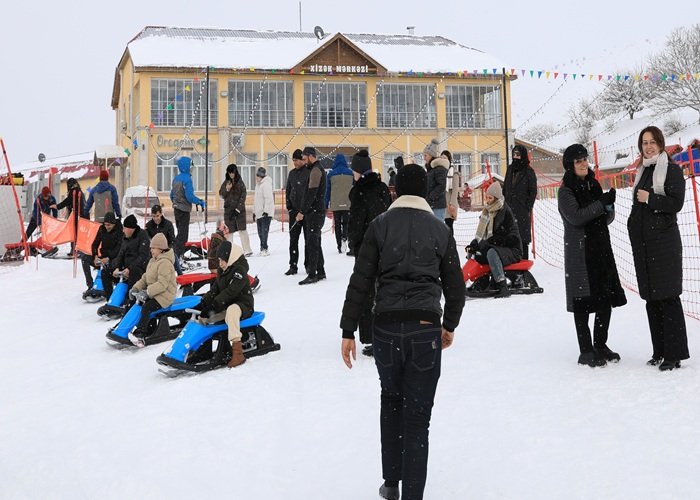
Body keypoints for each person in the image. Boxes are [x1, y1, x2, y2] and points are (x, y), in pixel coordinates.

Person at [340, 163, 466, 500]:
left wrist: (348, 329)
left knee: (391, 402)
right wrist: (449, 325)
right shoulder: (440, 230)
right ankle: (411, 494)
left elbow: (361, 281)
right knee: (417, 417)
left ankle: (391, 483)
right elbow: (456, 287)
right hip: (425, 329)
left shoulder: (380, 226)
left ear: (396, 191)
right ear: (425, 192)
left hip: (385, 330)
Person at [558, 144, 627, 367]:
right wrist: (601, 204)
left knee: (604, 298)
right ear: (570, 165)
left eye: (585, 159)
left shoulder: (593, 183)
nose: (583, 163)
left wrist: (609, 207)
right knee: (583, 302)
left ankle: (600, 344)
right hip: (580, 253)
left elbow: (603, 219)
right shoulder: (566, 190)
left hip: (600, 249)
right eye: (578, 161)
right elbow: (577, 217)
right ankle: (586, 350)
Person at [628, 126, 689, 371]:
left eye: (653, 142)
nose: (649, 146)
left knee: (668, 297)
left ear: (661, 143)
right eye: (644, 143)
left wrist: (651, 198)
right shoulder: (642, 170)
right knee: (652, 299)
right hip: (644, 246)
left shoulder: (672, 170)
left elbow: (676, 202)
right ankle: (660, 351)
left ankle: (674, 354)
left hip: (664, 245)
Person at [347, 149, 392, 356]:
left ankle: (374, 336)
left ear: (358, 171)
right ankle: (387, 332)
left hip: (367, 247)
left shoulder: (359, 191)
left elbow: (356, 222)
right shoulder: (382, 187)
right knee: (384, 288)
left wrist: (353, 243)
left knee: (366, 291)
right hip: (386, 244)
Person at [198, 240, 254, 368]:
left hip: (243, 305)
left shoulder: (239, 271)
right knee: (206, 318)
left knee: (232, 311)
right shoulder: (222, 271)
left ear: (230, 257)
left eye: (223, 260)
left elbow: (231, 292)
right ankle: (203, 350)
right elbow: (215, 290)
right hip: (227, 304)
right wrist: (204, 302)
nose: (220, 263)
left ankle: (238, 352)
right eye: (219, 260)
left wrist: (214, 305)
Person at [466, 181, 522, 299]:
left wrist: (488, 243)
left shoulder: (504, 212)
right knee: (478, 252)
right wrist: (475, 243)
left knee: (491, 252)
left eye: (490, 198)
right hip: (498, 245)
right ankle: (482, 281)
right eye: (486, 197)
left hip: (512, 248)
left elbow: (508, 237)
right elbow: (482, 235)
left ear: (496, 198)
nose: (487, 200)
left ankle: (502, 286)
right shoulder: (487, 211)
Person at [127, 233, 177, 347]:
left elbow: (162, 284)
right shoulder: (153, 261)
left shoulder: (165, 263)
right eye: (151, 248)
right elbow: (145, 278)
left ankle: (140, 334)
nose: (151, 250)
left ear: (161, 249)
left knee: (147, 307)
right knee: (134, 304)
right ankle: (124, 327)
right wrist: (136, 288)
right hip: (155, 293)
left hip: (165, 295)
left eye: (153, 248)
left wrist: (147, 292)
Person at [297, 146, 327, 285]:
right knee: (316, 241)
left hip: (315, 212)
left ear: (310, 156)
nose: (303, 161)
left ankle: (313, 274)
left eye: (304, 158)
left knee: (312, 243)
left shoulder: (315, 170)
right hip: (316, 210)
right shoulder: (316, 169)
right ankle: (320, 271)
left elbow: (311, 194)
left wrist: (302, 211)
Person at [503, 145, 538, 259]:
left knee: (522, 240)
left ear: (522, 155)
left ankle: (523, 269)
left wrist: (527, 207)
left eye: (518, 155)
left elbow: (533, 191)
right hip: (509, 209)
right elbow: (505, 187)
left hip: (522, 211)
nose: (515, 157)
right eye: (514, 155)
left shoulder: (529, 171)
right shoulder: (510, 169)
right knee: (509, 238)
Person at [105, 214, 150, 301]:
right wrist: (116, 267)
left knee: (134, 272)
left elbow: (143, 256)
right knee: (106, 271)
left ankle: (128, 301)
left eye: (124, 228)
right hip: (125, 267)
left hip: (139, 268)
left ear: (130, 229)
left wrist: (129, 268)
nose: (123, 230)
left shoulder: (143, 235)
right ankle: (110, 299)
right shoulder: (125, 237)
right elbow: (121, 254)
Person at [170, 156, 205, 260]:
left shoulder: (176, 179)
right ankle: (176, 256)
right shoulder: (187, 179)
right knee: (183, 235)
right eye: (190, 166)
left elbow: (171, 195)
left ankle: (176, 254)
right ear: (186, 167)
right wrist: (199, 201)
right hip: (184, 210)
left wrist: (176, 203)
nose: (191, 168)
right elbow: (189, 196)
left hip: (176, 209)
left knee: (180, 232)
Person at [80, 211, 123, 293]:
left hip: (114, 258)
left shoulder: (119, 231)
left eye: (109, 225)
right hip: (103, 256)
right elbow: (95, 244)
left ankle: (110, 284)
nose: (107, 227)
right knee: (84, 258)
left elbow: (119, 249)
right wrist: (95, 256)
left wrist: (108, 258)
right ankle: (90, 285)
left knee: (111, 266)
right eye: (105, 224)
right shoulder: (102, 229)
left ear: (114, 224)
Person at [284, 148, 310, 276]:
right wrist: (289, 208)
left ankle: (308, 265)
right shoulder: (292, 174)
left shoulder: (309, 172)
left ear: (302, 160)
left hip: (306, 212)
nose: (295, 162)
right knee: (293, 240)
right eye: (293, 160)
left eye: (297, 160)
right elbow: (288, 191)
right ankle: (293, 265)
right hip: (294, 212)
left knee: (307, 240)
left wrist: (305, 210)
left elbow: (310, 193)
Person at [220, 163, 253, 257]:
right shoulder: (226, 182)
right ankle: (229, 251)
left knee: (242, 230)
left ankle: (247, 250)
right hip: (228, 211)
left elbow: (243, 196)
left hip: (240, 211)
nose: (231, 175)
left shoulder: (240, 182)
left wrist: (238, 209)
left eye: (233, 173)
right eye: (229, 173)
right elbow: (221, 194)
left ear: (236, 172)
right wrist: (227, 189)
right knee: (229, 231)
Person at [325, 153, 353, 254]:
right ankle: (345, 238)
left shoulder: (331, 174)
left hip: (336, 204)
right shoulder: (351, 173)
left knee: (337, 225)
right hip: (347, 203)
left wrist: (325, 204)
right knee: (346, 223)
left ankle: (339, 245)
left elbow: (328, 191)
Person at [144, 204, 182, 275]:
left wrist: (166, 249)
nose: (155, 218)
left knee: (174, 255)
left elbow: (172, 240)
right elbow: (146, 240)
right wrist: (145, 233)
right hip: (153, 251)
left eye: (157, 216)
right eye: (153, 216)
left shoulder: (168, 224)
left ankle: (180, 274)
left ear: (161, 214)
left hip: (166, 250)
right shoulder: (148, 225)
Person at [55, 177, 87, 256]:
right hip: (81, 216)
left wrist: (57, 206)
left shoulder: (74, 191)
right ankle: (78, 249)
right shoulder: (79, 191)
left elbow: (67, 201)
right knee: (78, 233)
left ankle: (75, 249)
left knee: (73, 233)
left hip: (75, 216)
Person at [424, 138, 448, 219]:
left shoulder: (439, 168)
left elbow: (441, 186)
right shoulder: (431, 169)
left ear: (431, 156)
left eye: (425, 155)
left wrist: (430, 197)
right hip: (432, 204)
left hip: (437, 205)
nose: (424, 158)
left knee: (438, 228)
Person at [253, 166, 274, 256]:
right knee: (260, 233)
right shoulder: (258, 186)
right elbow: (256, 200)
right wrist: (254, 212)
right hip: (259, 213)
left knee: (264, 232)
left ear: (261, 176)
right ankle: (262, 248)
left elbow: (269, 199)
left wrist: (266, 211)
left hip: (265, 213)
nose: (256, 177)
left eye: (257, 176)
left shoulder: (266, 185)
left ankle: (265, 248)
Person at [442, 150, 462, 236]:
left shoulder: (454, 172)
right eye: (441, 158)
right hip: (442, 202)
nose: (443, 160)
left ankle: (450, 246)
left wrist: (452, 205)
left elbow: (455, 190)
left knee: (449, 226)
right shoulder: (440, 172)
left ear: (449, 160)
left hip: (450, 203)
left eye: (445, 158)